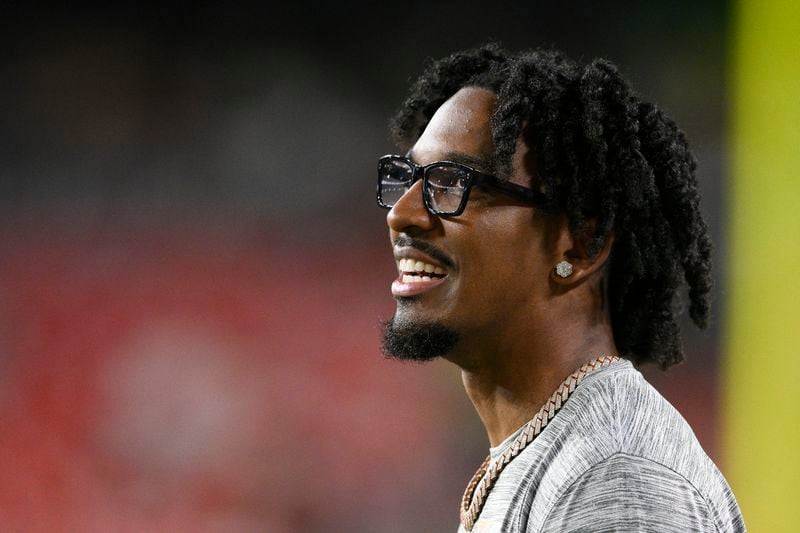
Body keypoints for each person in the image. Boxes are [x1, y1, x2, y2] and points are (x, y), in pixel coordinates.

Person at [376, 44, 745, 532]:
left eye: (452, 183)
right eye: (407, 179)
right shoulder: (551, 450)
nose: (401, 213)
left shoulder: (617, 479)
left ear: (580, 246)